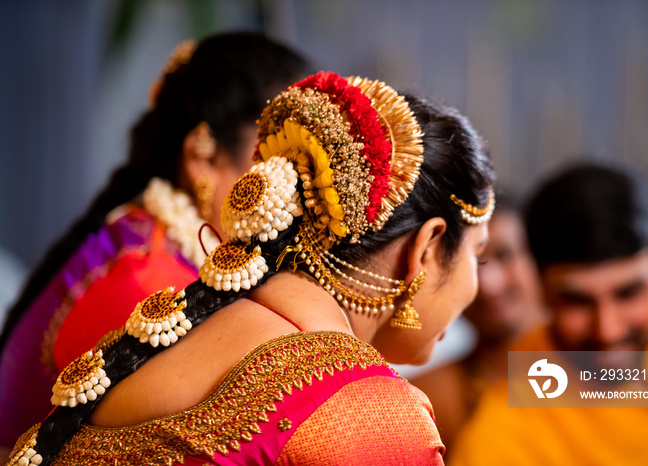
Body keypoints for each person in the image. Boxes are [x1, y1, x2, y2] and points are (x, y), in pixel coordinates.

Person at [5, 71, 494, 465]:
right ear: (426, 248)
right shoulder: (364, 415)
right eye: (479, 254)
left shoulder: (169, 331)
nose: (481, 282)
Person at [0, 32, 310, 448]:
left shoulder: (159, 248)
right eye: (282, 162)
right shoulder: (145, 281)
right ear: (202, 158)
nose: (301, 192)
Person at [450, 163, 648, 466]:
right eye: (577, 301)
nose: (607, 330)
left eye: (629, 293)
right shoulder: (502, 439)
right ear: (541, 288)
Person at [411, 193, 545, 456]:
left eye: (505, 255)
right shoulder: (425, 401)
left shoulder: (602, 367)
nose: (488, 284)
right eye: (470, 263)